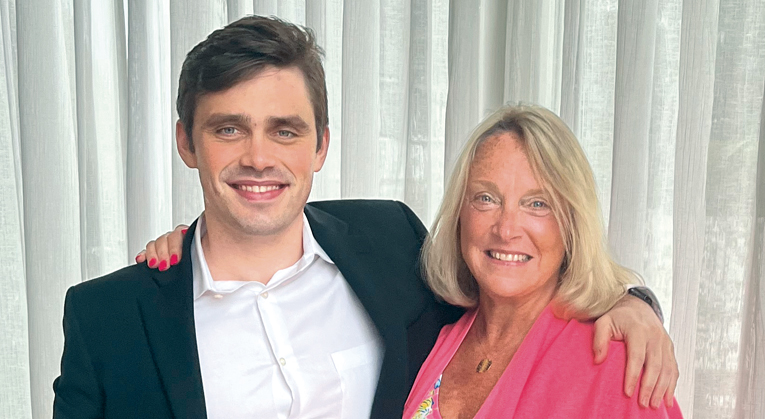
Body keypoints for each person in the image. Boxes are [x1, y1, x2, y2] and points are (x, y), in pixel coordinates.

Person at [54, 15, 675, 419]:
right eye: (228, 129)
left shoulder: (391, 243)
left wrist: (632, 302)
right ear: (187, 143)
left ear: (321, 144)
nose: (258, 158)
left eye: (285, 130)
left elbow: (509, 271)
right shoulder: (108, 320)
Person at [403, 104, 682, 418]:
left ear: (571, 224)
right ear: (459, 215)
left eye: (537, 204)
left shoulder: (617, 367)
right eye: (486, 198)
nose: (506, 229)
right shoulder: (431, 335)